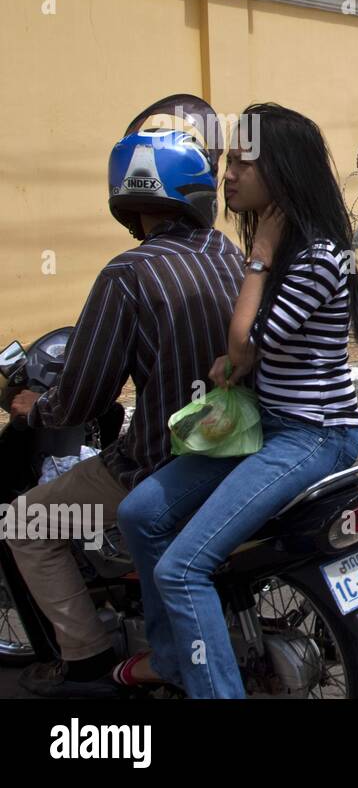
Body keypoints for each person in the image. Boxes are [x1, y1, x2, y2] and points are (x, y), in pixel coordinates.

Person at [116, 103, 358, 698]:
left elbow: (245, 342)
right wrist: (236, 363)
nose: (226, 174)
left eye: (242, 162)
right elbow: (247, 354)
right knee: (139, 513)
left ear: (283, 174)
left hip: (312, 436)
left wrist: (260, 252)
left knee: (182, 569)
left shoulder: (317, 257)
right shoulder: (292, 252)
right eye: (227, 161)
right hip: (267, 427)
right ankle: (172, 658)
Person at [3, 95, 243, 696]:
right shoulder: (227, 254)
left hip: (161, 458)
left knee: (27, 523)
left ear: (129, 199)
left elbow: (84, 398)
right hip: (239, 444)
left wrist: (36, 409)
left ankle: (85, 663)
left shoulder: (127, 274)